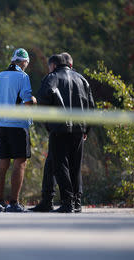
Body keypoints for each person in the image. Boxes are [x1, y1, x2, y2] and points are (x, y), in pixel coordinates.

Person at [35, 53, 94, 213]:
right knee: (75, 166)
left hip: (59, 128)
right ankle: (77, 202)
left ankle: (67, 202)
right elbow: (90, 106)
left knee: (60, 165)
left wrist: (48, 124)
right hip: (79, 129)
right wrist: (86, 129)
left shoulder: (52, 77)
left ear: (53, 65)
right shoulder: (82, 79)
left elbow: (42, 100)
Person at [0, 48, 37, 212]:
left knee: (3, 162)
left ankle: (0, 202)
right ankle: (14, 202)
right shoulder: (23, 77)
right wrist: (34, 100)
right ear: (24, 62)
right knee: (20, 163)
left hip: (3, 124)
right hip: (18, 125)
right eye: (27, 64)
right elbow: (27, 101)